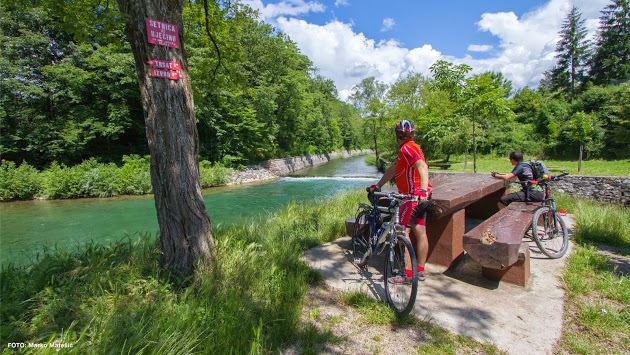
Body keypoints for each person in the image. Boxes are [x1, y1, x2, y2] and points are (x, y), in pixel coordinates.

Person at [369, 119, 432, 281]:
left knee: (402, 233)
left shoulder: (407, 148)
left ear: (397, 135)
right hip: (422, 197)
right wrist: (379, 184)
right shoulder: (411, 148)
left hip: (412, 197)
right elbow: (393, 169)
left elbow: (422, 167)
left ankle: (407, 275)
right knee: (420, 231)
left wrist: (421, 190)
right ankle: (420, 270)